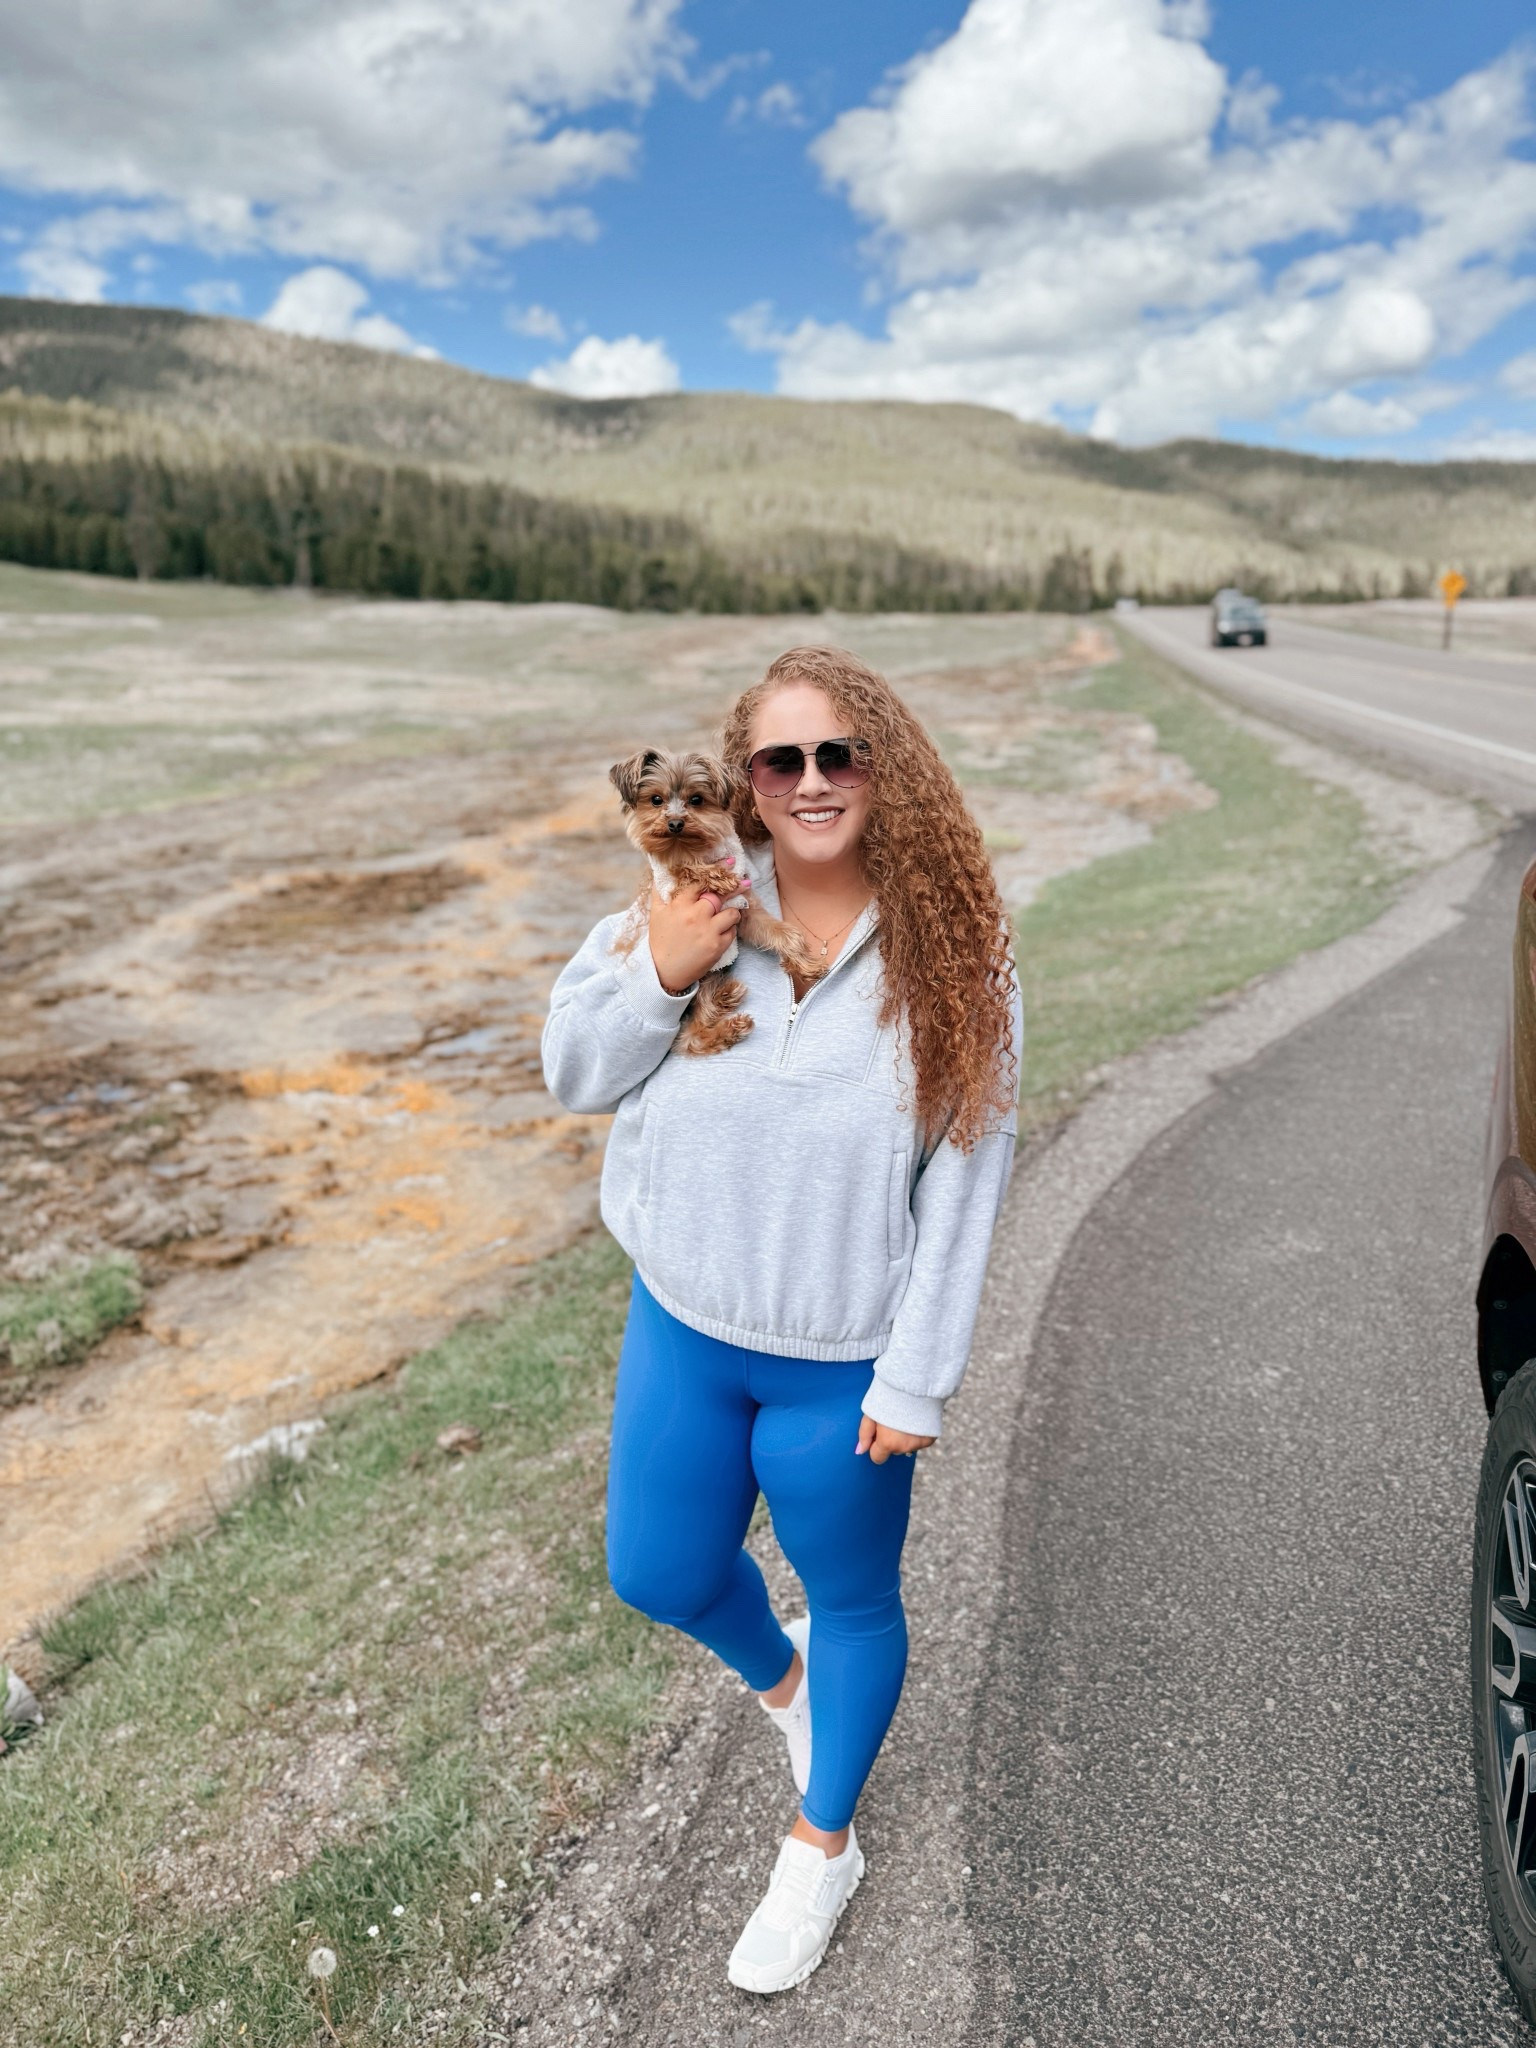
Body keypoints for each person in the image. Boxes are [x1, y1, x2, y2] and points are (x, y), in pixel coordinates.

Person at [540, 644, 1022, 1995]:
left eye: (838, 754)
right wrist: (658, 972)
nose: (810, 783)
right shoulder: (684, 904)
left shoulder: (959, 962)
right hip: (684, 1325)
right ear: (744, 778)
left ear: (884, 766)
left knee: (855, 1595)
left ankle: (822, 1849)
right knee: (659, 1570)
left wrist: (914, 1380)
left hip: (842, 1364)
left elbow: (967, 1181)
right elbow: (573, 1069)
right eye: (780, 760)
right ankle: (787, 1686)